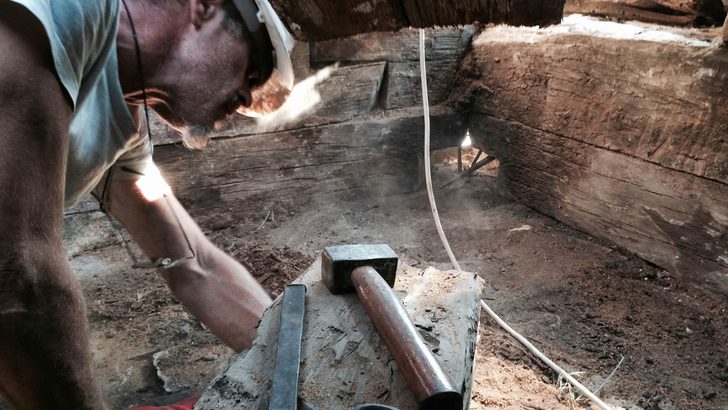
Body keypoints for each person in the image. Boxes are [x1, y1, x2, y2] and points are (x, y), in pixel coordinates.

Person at [0, 0, 294, 408]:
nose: (245, 97)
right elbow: (19, 278)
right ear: (204, 8)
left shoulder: (123, 128)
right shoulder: (74, 9)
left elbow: (197, 266)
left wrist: (300, 362)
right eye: (253, 68)